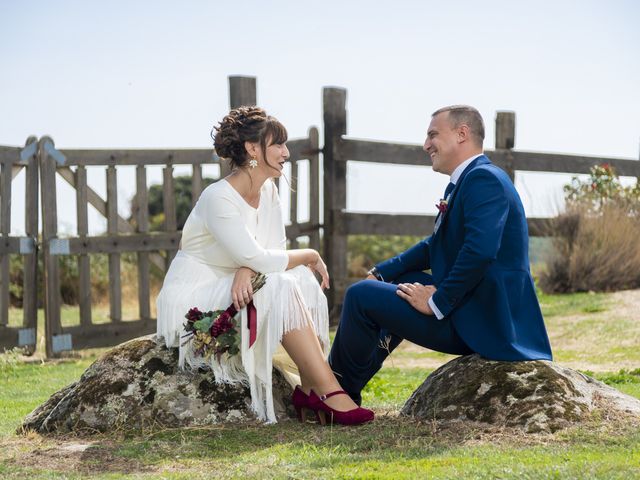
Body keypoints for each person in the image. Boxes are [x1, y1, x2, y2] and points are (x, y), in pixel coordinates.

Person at [156, 106, 373, 425]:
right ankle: (328, 390)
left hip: (238, 283)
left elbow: (270, 250)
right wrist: (310, 254)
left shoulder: (268, 189)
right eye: (278, 145)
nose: (287, 152)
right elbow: (259, 257)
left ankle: (311, 385)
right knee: (287, 276)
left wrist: (248, 267)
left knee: (294, 276)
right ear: (252, 149)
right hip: (196, 296)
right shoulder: (218, 197)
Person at [329, 105, 553, 405]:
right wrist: (383, 271)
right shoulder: (470, 179)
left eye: (433, 134)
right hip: (474, 310)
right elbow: (436, 246)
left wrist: (437, 301)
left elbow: (480, 252)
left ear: (462, 134)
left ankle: (333, 391)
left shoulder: (483, 180)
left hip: (488, 322)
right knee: (399, 281)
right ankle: (342, 390)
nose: (426, 145)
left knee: (361, 295)